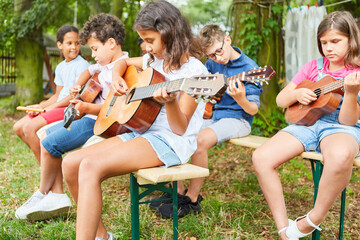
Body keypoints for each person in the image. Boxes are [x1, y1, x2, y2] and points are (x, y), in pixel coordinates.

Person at [61, 1, 208, 239]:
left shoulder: (194, 74)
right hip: (143, 131)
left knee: (89, 166)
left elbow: (180, 129)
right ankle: (101, 236)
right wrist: (118, 77)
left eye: (150, 40)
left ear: (169, 33)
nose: (146, 47)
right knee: (70, 164)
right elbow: (123, 62)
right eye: (143, 40)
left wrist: (169, 102)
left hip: (171, 141)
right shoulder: (154, 61)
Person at [252, 11, 360, 240]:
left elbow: (348, 121)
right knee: (261, 157)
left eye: (335, 41)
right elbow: (281, 100)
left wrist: (351, 93)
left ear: (351, 40)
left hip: (340, 127)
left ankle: (312, 220)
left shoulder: (356, 74)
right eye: (324, 42)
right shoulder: (313, 66)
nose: (329, 48)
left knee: (341, 156)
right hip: (307, 122)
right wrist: (298, 92)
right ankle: (284, 229)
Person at [14, 13, 128, 225]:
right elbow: (89, 71)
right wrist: (78, 85)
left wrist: (86, 107)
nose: (91, 54)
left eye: (94, 49)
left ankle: (45, 194)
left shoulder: (125, 69)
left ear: (111, 44)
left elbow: (116, 109)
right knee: (46, 135)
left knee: (48, 143)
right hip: (91, 115)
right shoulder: (105, 65)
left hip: (100, 122)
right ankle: (50, 194)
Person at [154, 24, 263, 219]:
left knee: (199, 140)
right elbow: (205, 91)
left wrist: (241, 99)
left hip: (237, 118)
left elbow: (253, 109)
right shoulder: (212, 64)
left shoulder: (250, 69)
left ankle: (193, 199)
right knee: (174, 131)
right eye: (211, 56)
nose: (217, 58)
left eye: (219, 51)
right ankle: (176, 193)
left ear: (227, 40)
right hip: (212, 114)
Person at [13, 25, 89, 163]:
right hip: (58, 106)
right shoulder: (60, 67)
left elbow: (75, 97)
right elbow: (57, 95)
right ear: (60, 45)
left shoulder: (83, 65)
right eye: (69, 43)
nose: (74, 47)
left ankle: (48, 173)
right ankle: (49, 168)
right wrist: (40, 105)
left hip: (70, 109)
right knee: (18, 127)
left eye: (77, 43)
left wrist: (51, 108)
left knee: (29, 128)